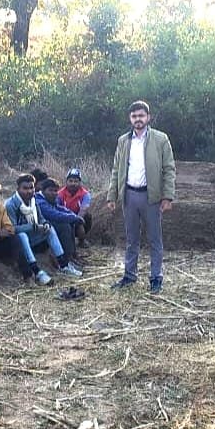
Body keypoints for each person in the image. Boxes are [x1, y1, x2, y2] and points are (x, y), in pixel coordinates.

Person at [107, 100, 175, 293]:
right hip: (129, 195)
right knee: (131, 239)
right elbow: (116, 170)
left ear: (148, 117)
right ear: (130, 118)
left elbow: (169, 169)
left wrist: (167, 196)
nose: (138, 119)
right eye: (134, 116)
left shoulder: (161, 139)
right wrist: (112, 195)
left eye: (141, 116)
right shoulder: (123, 141)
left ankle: (156, 278)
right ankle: (129, 276)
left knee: (155, 239)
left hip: (151, 197)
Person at [5, 173, 82, 284]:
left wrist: (44, 224)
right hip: (19, 242)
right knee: (21, 236)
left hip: (34, 236)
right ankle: (37, 272)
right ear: (18, 189)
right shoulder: (11, 205)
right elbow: (12, 229)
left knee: (49, 228)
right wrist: (34, 227)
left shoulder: (33, 200)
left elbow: (41, 218)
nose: (29, 191)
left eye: (31, 188)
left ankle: (63, 265)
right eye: (25, 188)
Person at [36, 177, 85, 266]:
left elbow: (60, 209)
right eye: (50, 190)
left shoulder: (49, 199)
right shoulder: (39, 201)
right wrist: (74, 218)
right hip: (38, 231)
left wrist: (74, 217)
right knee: (64, 226)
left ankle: (73, 255)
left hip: (47, 227)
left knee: (70, 223)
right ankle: (66, 259)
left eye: (55, 191)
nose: (54, 193)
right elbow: (54, 215)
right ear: (43, 191)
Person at [57, 167, 93, 248]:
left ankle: (81, 240)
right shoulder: (60, 194)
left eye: (76, 181)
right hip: (64, 218)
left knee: (87, 216)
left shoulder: (85, 194)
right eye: (70, 181)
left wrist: (77, 220)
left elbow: (84, 208)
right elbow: (57, 209)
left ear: (80, 183)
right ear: (66, 182)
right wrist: (70, 218)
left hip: (78, 218)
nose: (73, 183)